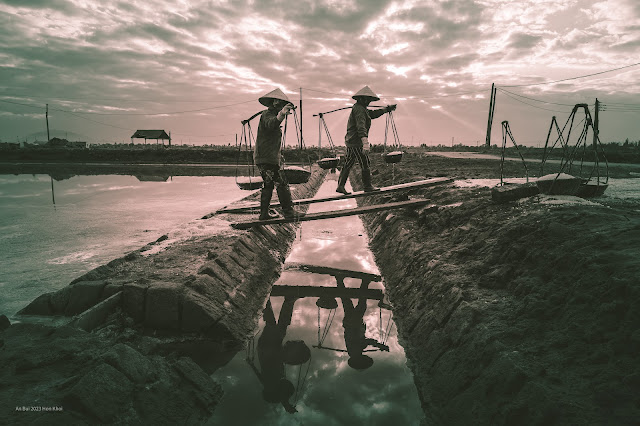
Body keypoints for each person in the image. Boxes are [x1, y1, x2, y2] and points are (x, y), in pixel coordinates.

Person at [254, 88, 304, 220]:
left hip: (268, 157)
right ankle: (288, 212)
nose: (282, 107)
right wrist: (282, 113)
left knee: (269, 185)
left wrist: (278, 156)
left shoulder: (273, 115)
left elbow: (273, 139)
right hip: (265, 158)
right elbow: (272, 124)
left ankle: (264, 214)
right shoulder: (267, 115)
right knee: (281, 184)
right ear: (275, 102)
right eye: (281, 104)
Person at [336, 86, 396, 194]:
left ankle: (340, 186)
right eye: (367, 100)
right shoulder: (359, 109)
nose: (369, 102)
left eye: (370, 100)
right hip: (356, 142)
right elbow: (361, 127)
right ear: (362, 99)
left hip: (352, 141)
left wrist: (386, 109)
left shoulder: (361, 108)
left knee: (348, 163)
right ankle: (367, 186)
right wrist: (365, 143)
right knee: (365, 163)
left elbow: (372, 114)